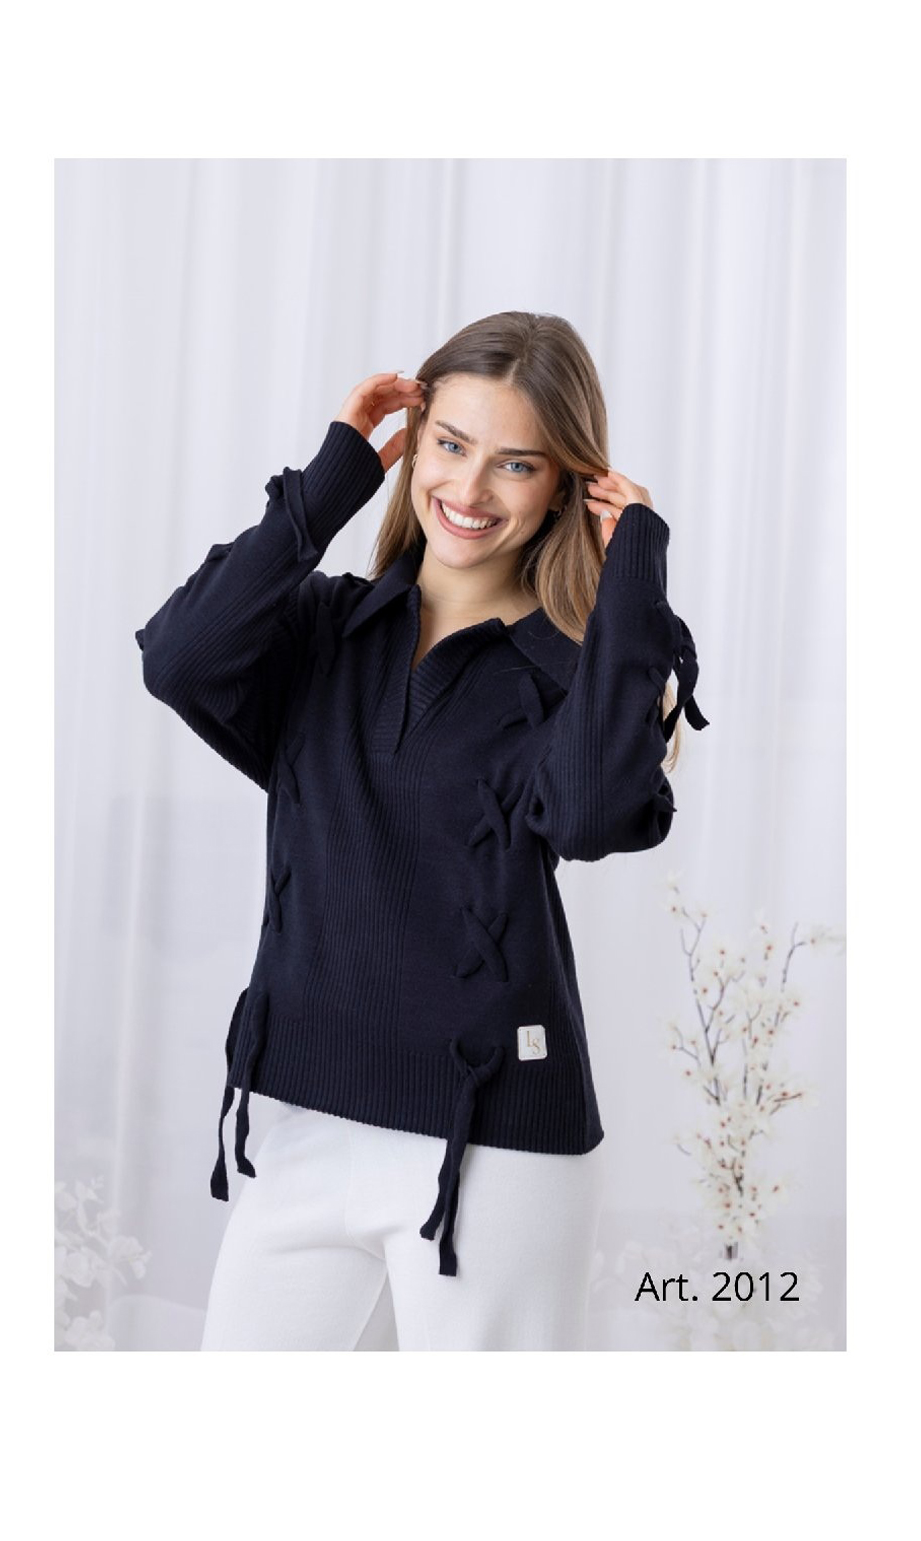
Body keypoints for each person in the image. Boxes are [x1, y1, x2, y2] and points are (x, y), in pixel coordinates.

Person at [135, 311, 708, 1349]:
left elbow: (589, 817)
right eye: (449, 443)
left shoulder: (572, 676)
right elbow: (178, 659)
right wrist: (331, 480)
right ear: (414, 442)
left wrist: (631, 579)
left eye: (516, 463)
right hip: (296, 1110)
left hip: (491, 1143)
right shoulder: (320, 630)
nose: (470, 488)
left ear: (565, 485)